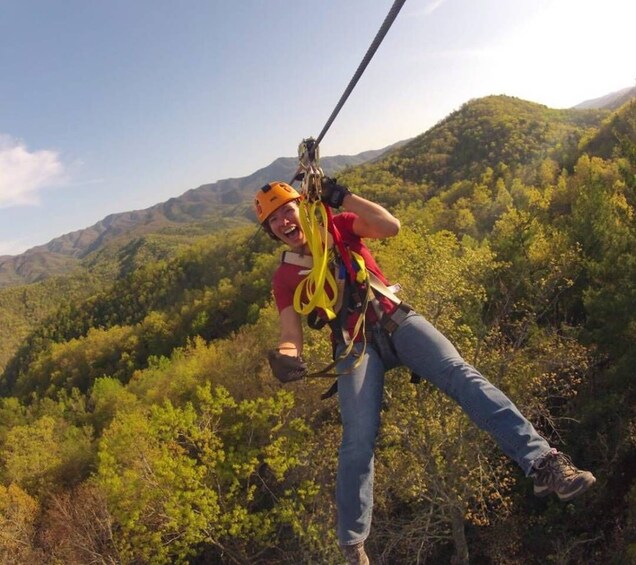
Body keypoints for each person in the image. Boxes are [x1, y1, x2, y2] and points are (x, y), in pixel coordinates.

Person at [254, 179, 596, 565]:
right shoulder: (285, 277)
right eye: (274, 220)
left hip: (394, 319)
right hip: (355, 344)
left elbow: (390, 226)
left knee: (461, 375)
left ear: (303, 207)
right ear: (270, 232)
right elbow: (290, 334)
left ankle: (546, 464)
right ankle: (352, 544)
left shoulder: (340, 227)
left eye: (287, 210)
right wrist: (285, 357)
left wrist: (341, 197)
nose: (283, 221)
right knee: (358, 437)